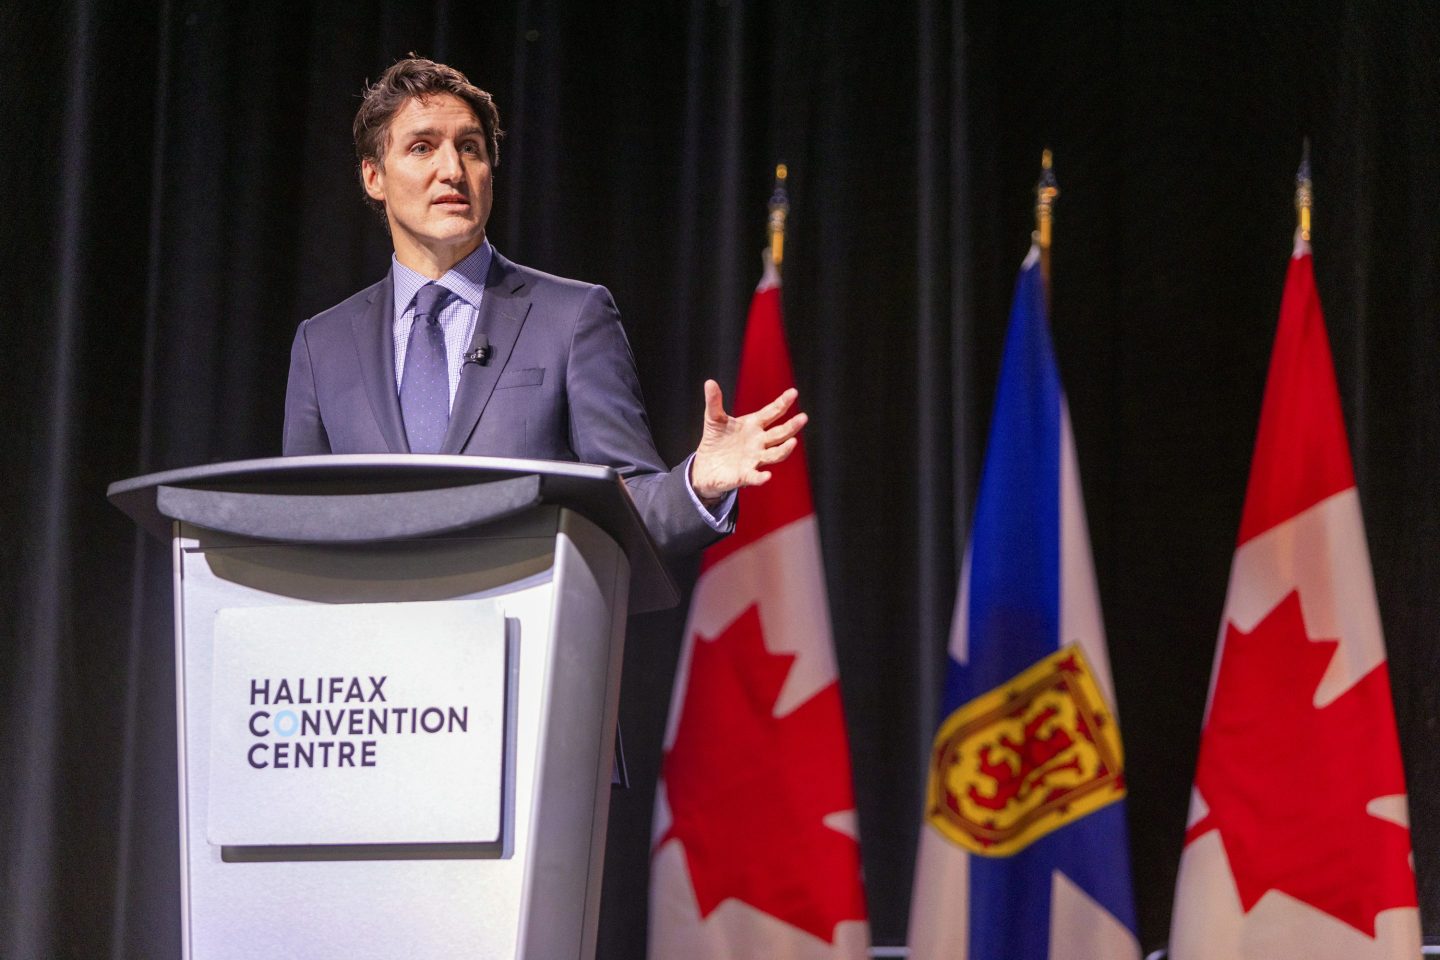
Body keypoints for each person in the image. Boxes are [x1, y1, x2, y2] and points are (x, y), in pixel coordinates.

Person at [282, 57, 805, 557]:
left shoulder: (572, 317)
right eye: (422, 148)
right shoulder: (321, 344)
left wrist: (697, 484)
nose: (452, 170)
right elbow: (295, 521)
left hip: (521, 616)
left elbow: (627, 501)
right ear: (373, 177)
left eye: (470, 148)